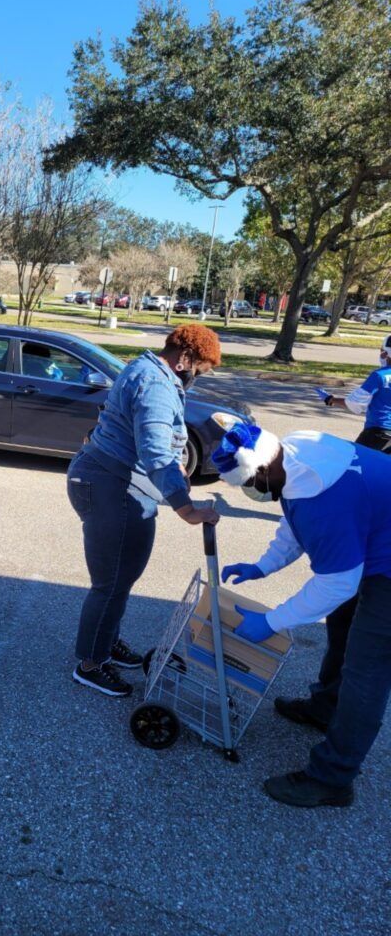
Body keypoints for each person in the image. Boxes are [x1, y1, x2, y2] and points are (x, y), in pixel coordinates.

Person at [212, 422, 391, 808]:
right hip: (378, 538)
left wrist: (272, 621)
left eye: (249, 485)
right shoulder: (294, 456)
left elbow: (337, 583)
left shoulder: (327, 501)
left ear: (262, 470)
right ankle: (326, 708)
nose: (250, 494)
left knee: (367, 669)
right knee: (343, 624)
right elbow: (292, 521)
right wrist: (264, 565)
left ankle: (333, 778)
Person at [67, 325, 222, 698]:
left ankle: (107, 641)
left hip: (111, 480)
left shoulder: (149, 369)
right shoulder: (155, 384)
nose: (197, 377)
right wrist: (185, 508)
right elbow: (153, 450)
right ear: (185, 358)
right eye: (199, 369)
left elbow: (153, 439)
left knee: (121, 577)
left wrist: (177, 466)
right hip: (113, 486)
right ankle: (90, 663)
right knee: (111, 582)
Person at [319, 333, 391, 453]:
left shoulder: (379, 375)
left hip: (378, 432)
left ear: (386, 353)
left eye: (382, 351)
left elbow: (354, 404)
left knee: (355, 466)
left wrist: (330, 399)